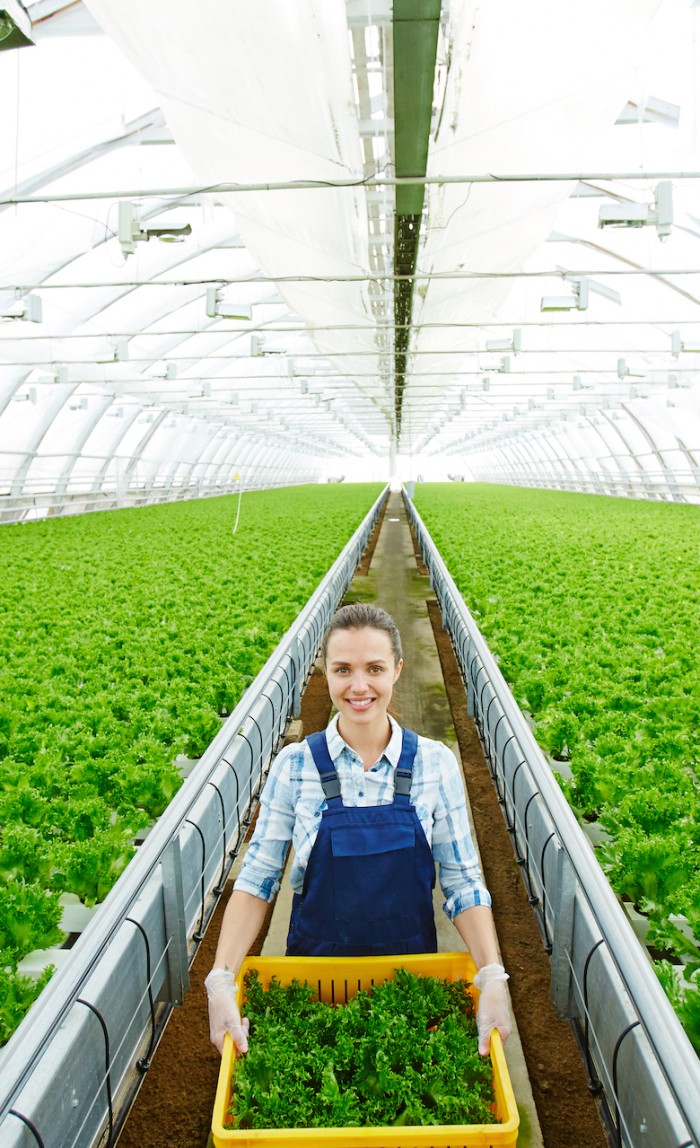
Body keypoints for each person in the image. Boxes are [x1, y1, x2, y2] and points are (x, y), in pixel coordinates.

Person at [205, 603, 511, 1058]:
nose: (359, 685)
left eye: (375, 668)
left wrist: (492, 976)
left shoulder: (435, 764)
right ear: (325, 673)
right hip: (314, 983)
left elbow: (463, 882)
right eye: (342, 669)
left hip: (410, 982)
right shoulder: (295, 766)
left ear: (398, 671)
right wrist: (221, 978)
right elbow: (256, 880)